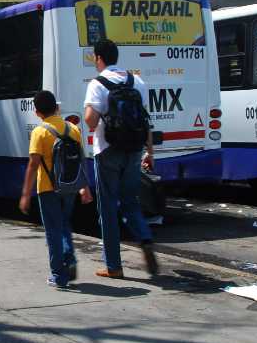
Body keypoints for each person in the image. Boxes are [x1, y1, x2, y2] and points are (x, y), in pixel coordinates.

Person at [84, 38, 159, 279]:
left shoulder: (98, 83)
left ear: (98, 58)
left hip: (108, 151)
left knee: (107, 208)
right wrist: (150, 152)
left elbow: (90, 120)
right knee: (130, 202)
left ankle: (114, 266)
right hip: (135, 150)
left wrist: (95, 114)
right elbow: (145, 120)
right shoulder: (136, 80)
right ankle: (145, 238)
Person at [19, 90, 93, 288]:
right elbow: (81, 160)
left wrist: (26, 194)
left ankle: (58, 275)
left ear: (37, 112)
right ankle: (70, 260)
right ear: (57, 108)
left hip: (47, 188)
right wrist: (84, 187)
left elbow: (33, 165)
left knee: (53, 230)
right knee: (64, 225)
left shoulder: (39, 132)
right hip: (69, 186)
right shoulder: (73, 129)